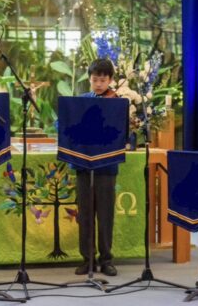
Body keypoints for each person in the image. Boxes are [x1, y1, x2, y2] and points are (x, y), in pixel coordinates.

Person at [74, 58, 119, 276]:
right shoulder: (81, 101)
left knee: (105, 215)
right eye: (94, 80)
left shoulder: (118, 103)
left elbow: (123, 133)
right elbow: (65, 124)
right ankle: (88, 259)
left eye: (103, 80)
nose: (98, 84)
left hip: (106, 166)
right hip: (83, 164)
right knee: (85, 215)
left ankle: (107, 259)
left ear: (110, 80)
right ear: (89, 80)